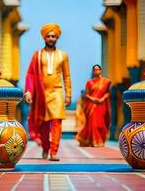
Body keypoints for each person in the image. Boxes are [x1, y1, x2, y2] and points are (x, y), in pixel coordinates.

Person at [24, 23, 72, 161]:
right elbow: (31, 74)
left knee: (57, 121)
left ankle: (54, 151)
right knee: (44, 123)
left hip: (57, 92)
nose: (51, 38)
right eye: (49, 36)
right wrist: (28, 92)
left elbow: (67, 76)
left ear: (57, 38)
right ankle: (46, 148)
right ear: (44, 38)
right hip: (41, 93)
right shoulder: (37, 55)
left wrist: (68, 94)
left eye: (54, 36)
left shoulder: (63, 55)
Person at [76, 64, 111, 147]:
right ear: (93, 71)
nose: (96, 71)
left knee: (101, 124)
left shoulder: (106, 81)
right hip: (91, 105)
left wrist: (102, 99)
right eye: (95, 70)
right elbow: (86, 94)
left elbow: (108, 93)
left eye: (98, 69)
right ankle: (93, 141)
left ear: (100, 70)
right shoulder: (89, 83)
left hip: (101, 105)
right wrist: (93, 99)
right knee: (93, 123)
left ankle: (100, 140)